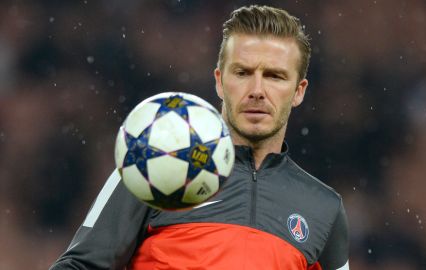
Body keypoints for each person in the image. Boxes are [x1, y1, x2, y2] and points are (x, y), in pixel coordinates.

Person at [50, 5, 349, 270]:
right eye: (243, 72)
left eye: (274, 76)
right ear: (220, 81)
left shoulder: (324, 208)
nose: (257, 90)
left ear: (299, 91)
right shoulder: (154, 161)